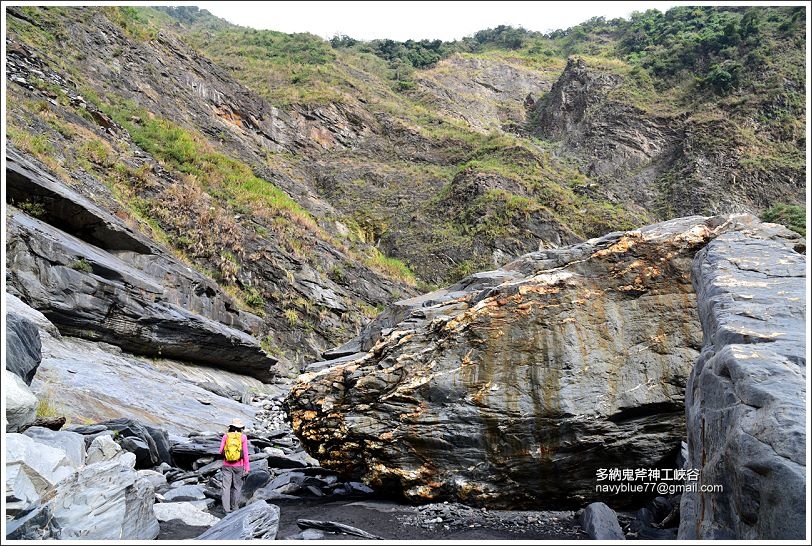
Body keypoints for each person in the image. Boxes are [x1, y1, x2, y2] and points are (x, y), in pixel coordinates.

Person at [219, 417, 250, 513]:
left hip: (226, 465)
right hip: (239, 465)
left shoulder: (226, 436)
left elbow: (220, 451)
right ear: (240, 427)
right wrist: (247, 467)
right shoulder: (243, 437)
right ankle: (235, 508)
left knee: (226, 487)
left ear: (231, 426)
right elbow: (245, 453)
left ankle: (226, 509)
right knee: (237, 487)